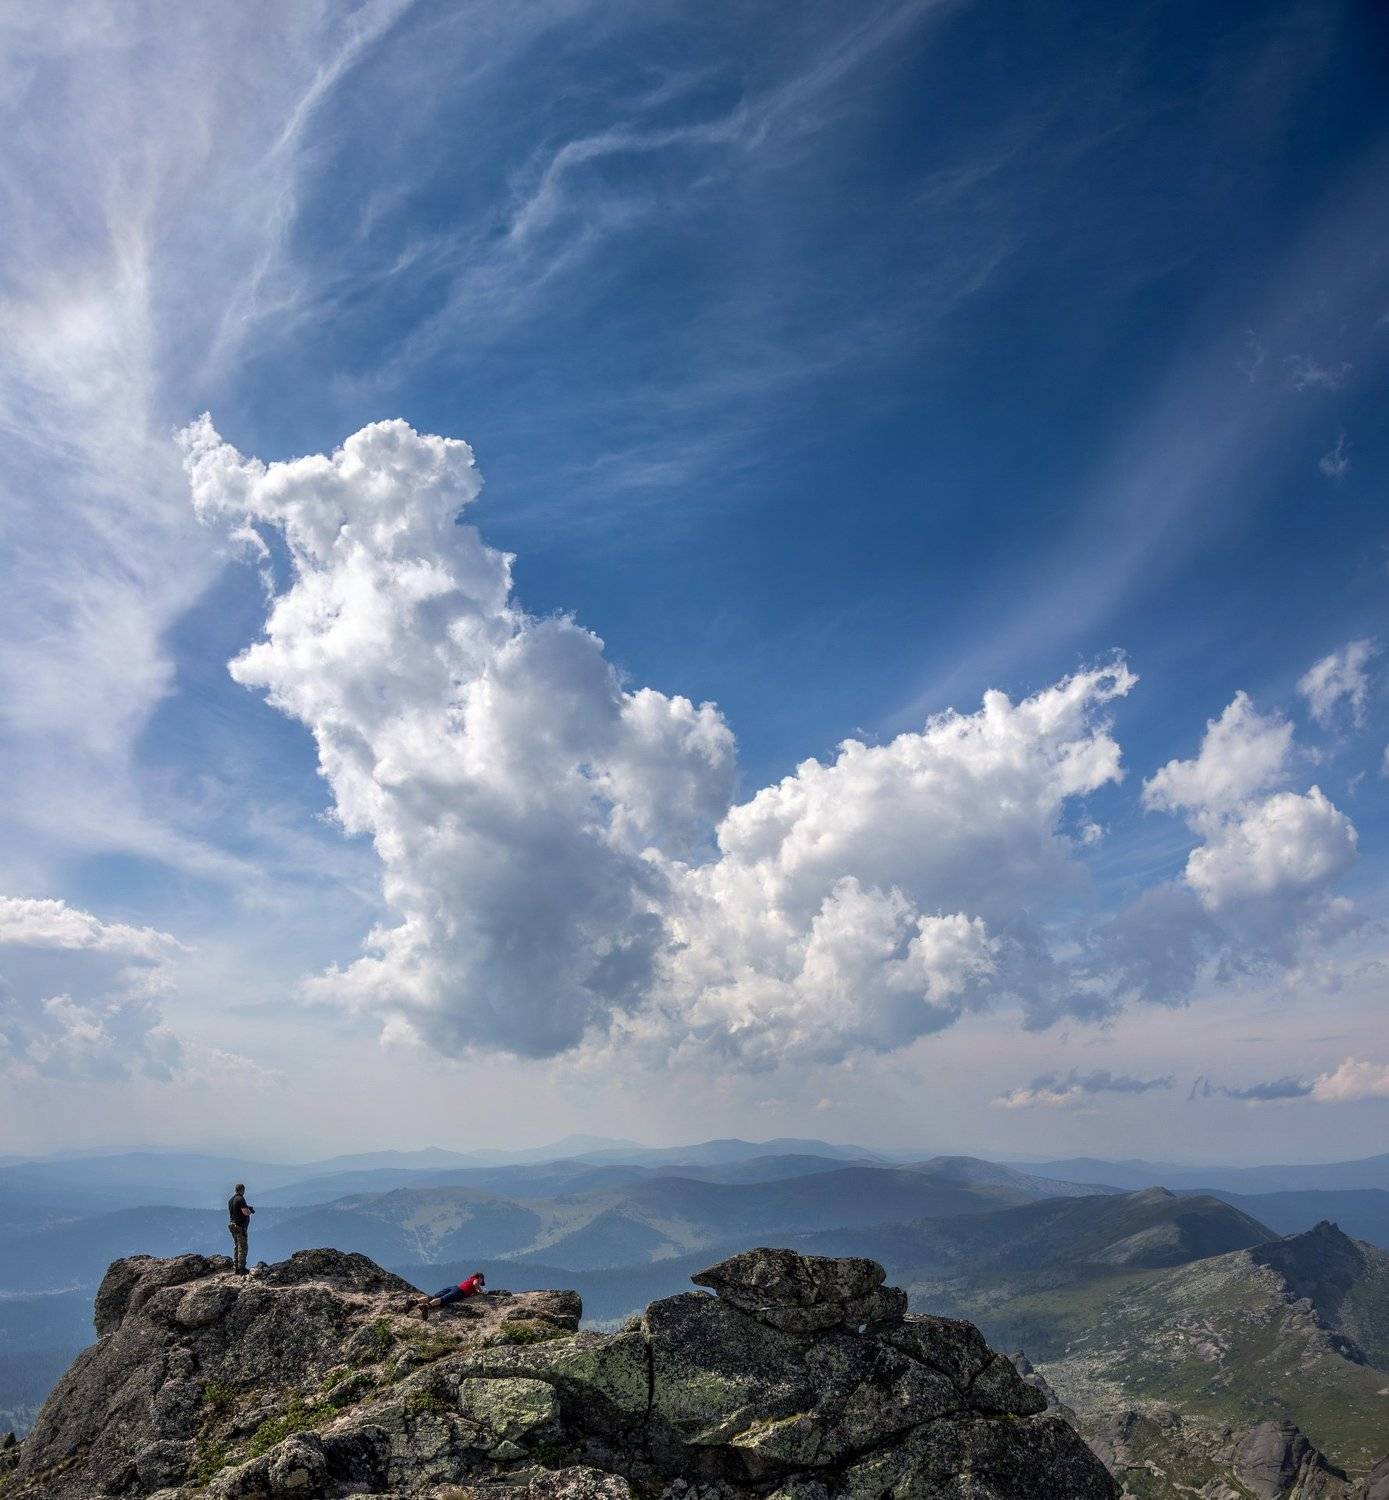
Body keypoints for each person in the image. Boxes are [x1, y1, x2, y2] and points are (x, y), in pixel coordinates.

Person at [412, 1271, 485, 1319]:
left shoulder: (470, 1278)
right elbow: (475, 1284)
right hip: (459, 1292)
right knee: (442, 1300)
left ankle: (414, 1301)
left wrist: (476, 1291)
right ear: (480, 1278)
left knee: (433, 1297)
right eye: (481, 1281)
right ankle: (426, 1306)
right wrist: (481, 1291)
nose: (481, 1283)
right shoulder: (476, 1279)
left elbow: (473, 1288)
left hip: (455, 1287)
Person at [228, 1183, 254, 1274]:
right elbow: (245, 1212)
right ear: (242, 1190)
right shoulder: (241, 1199)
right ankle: (242, 1268)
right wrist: (250, 1210)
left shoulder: (231, 1200)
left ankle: (237, 1268)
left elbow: (236, 1211)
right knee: (243, 1247)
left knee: (237, 1246)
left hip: (232, 1225)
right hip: (239, 1226)